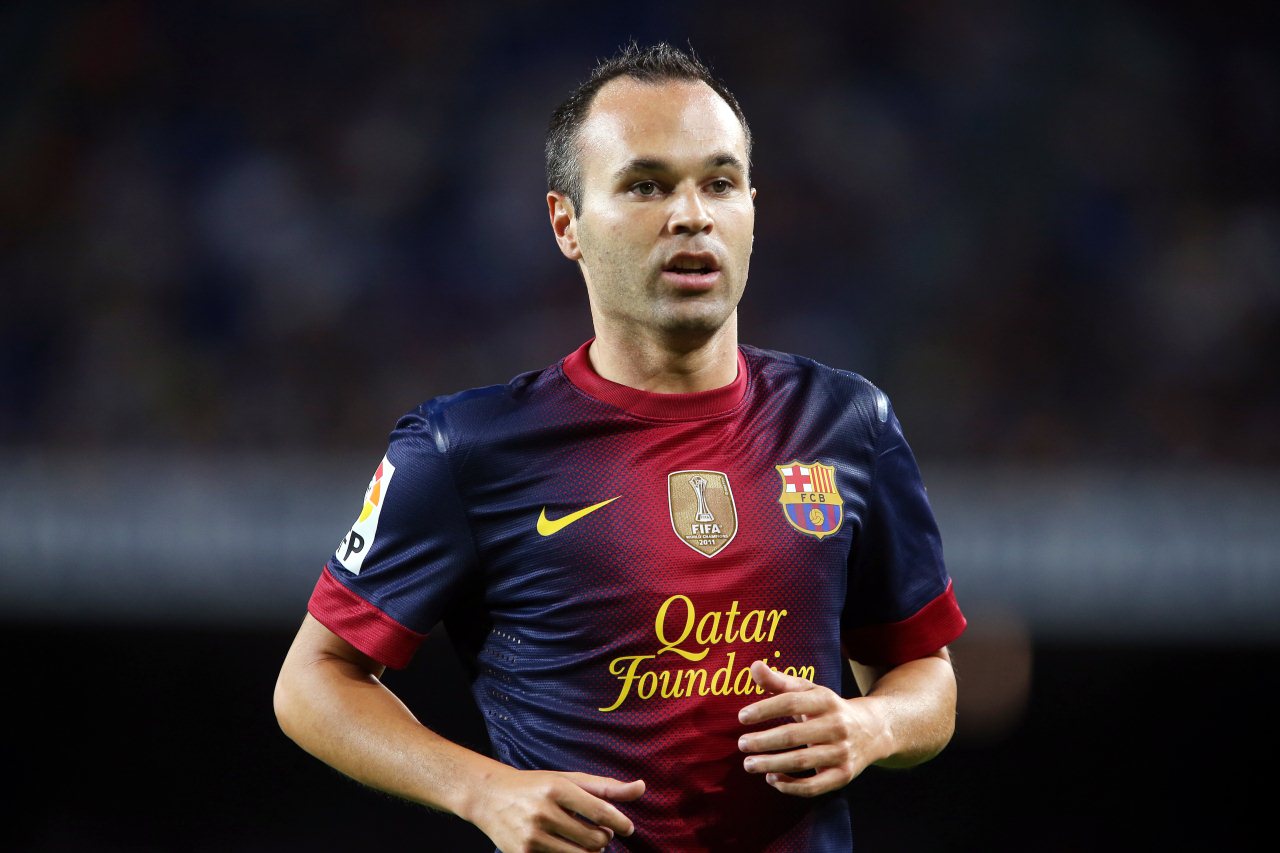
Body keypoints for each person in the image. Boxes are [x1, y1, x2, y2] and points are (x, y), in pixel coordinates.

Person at [274, 42, 966, 853]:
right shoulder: (465, 447)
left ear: (752, 207)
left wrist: (871, 725)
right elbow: (313, 681)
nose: (692, 214)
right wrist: (480, 789)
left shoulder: (850, 422)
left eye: (719, 183)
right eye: (647, 185)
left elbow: (927, 677)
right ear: (566, 223)